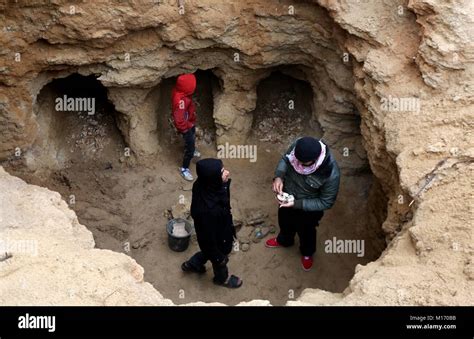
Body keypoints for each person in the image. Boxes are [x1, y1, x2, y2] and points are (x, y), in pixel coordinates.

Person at [266, 136, 340, 271]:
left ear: (315, 160)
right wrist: (279, 176)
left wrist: (297, 204)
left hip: (308, 209)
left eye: (303, 163)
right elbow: (285, 159)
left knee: (306, 231)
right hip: (287, 197)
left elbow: (326, 202)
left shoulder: (330, 174)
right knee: (285, 221)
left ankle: (307, 253)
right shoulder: (298, 146)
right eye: (297, 160)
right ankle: (284, 240)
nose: (298, 164)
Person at [181, 158, 243, 288]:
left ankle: (193, 264)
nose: (227, 172)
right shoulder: (206, 211)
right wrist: (219, 258)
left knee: (208, 250)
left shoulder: (204, 185)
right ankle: (222, 279)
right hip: (215, 236)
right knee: (217, 255)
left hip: (217, 228)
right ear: (214, 178)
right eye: (222, 172)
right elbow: (207, 239)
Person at [171, 73, 200, 181]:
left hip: (189, 122)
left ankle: (192, 149)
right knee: (190, 147)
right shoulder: (180, 101)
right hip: (186, 126)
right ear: (187, 88)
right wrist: (186, 127)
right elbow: (179, 120)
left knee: (192, 136)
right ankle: (184, 169)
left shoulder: (182, 93)